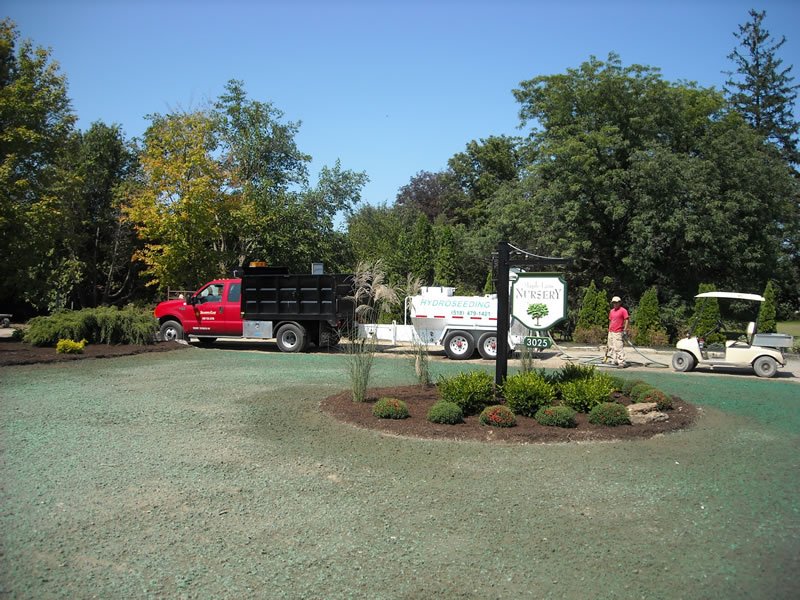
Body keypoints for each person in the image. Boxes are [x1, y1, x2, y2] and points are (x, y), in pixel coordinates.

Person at [608, 295, 629, 368]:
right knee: (611, 346)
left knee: (618, 347)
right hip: (611, 331)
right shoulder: (612, 311)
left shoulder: (623, 310)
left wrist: (625, 330)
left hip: (618, 331)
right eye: (614, 303)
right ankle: (614, 360)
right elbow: (611, 320)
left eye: (617, 302)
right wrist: (609, 329)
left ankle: (622, 362)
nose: (615, 304)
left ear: (619, 303)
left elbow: (626, 320)